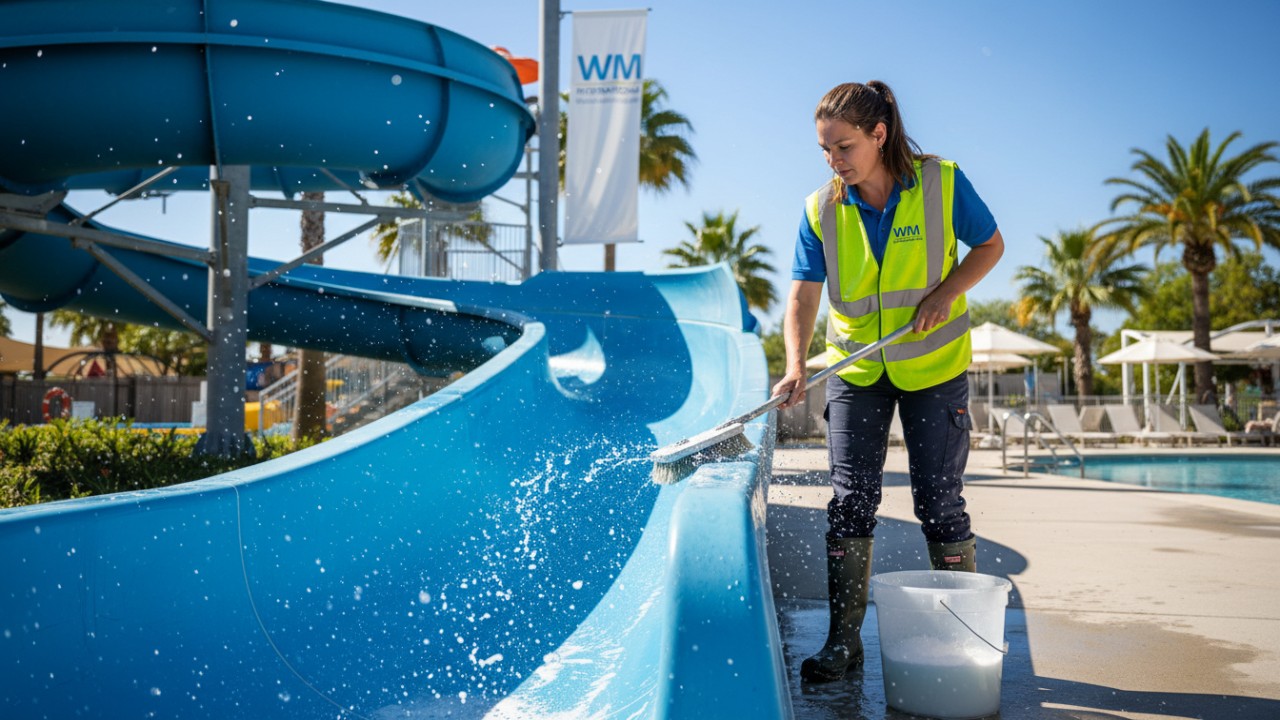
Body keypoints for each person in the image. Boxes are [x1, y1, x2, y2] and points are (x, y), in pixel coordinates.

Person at [772, 80, 1004, 683]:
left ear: (880, 134)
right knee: (851, 502)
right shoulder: (821, 207)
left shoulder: (941, 182)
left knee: (939, 504)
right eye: (825, 149)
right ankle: (843, 646)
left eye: (845, 146)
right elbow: (802, 293)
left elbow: (990, 245)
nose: (835, 161)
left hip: (933, 368)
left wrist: (947, 291)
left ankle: (962, 642)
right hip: (857, 371)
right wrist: (796, 363)